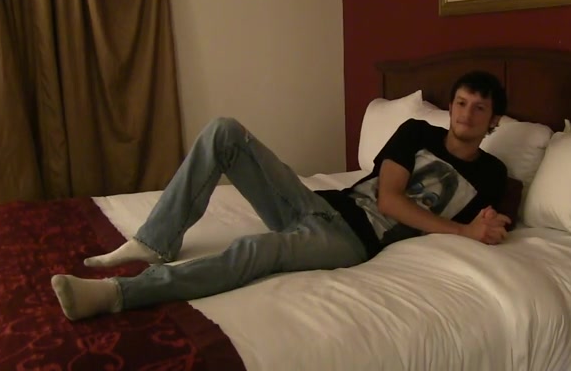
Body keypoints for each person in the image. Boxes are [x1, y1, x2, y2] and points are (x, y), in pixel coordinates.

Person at [51, 71, 513, 321]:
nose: (466, 114)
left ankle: (118, 294)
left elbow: (495, 224)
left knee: (253, 251)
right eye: (461, 103)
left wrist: (482, 230)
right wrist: (463, 230)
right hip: (323, 204)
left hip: (351, 241)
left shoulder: (494, 175)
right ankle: (154, 241)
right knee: (225, 132)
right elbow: (390, 200)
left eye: (480, 108)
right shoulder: (416, 132)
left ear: (494, 121)